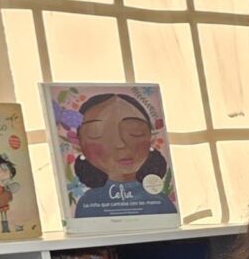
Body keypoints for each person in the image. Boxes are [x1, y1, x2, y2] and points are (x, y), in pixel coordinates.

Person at [65, 90, 177, 221]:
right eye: (97, 133)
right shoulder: (87, 205)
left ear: (152, 138)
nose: (120, 143)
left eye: (135, 131)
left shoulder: (161, 203)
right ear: (78, 144)